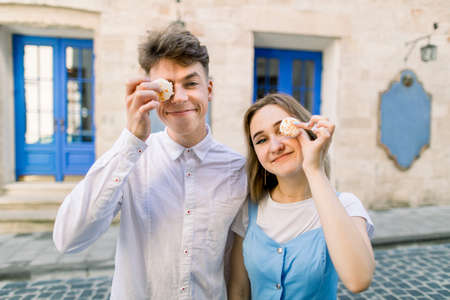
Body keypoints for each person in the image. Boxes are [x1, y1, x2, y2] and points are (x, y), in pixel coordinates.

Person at [53, 24, 247, 300]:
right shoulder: (129, 160)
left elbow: (236, 266)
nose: (180, 98)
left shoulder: (237, 170)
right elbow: (68, 239)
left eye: (191, 83)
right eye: (167, 87)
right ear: (151, 93)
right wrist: (131, 139)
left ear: (209, 89)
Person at [227, 93, 375, 299]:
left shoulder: (346, 206)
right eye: (261, 140)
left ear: (307, 131)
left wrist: (314, 169)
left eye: (283, 131)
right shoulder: (248, 208)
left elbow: (358, 280)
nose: (275, 146)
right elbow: (239, 289)